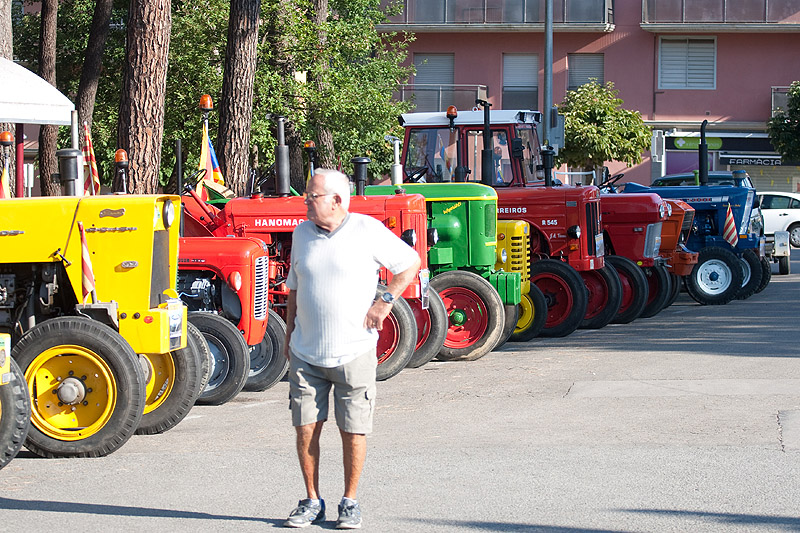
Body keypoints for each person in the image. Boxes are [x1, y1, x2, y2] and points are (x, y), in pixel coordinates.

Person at [282, 168, 421, 529]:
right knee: (306, 428)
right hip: (306, 353)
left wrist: (385, 301)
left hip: (354, 353)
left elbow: (410, 264)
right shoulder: (301, 234)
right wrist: (289, 332)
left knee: (353, 429)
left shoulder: (366, 230)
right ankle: (312, 501)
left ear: (337, 200)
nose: (306, 202)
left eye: (312, 197)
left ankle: (350, 501)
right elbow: (295, 286)